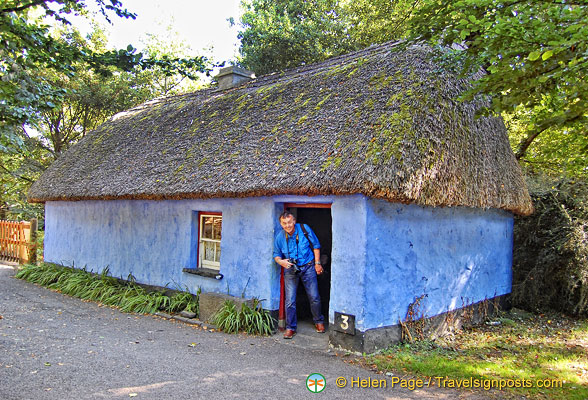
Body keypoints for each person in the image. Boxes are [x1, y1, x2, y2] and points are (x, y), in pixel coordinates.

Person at [273, 211, 325, 339]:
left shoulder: (304, 229)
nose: (288, 225)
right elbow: (276, 254)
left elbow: (316, 246)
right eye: (284, 223)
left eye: (289, 222)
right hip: (291, 269)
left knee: (314, 296)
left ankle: (318, 321)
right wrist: (281, 262)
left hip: (308, 266)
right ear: (281, 224)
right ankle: (291, 328)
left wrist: (317, 263)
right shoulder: (280, 237)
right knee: (290, 300)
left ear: (294, 221)